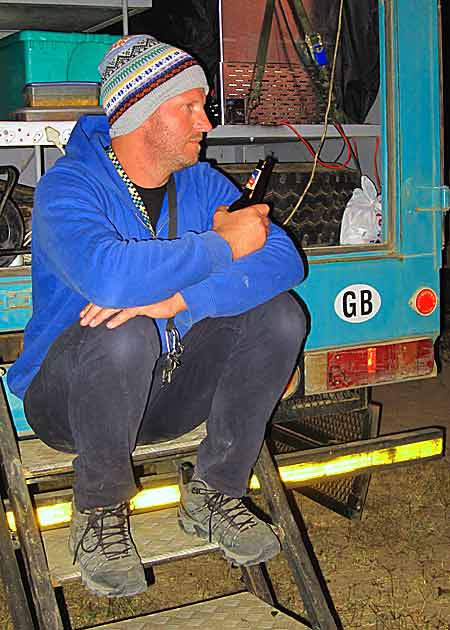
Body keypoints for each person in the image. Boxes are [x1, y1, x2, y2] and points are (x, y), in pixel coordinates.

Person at [8, 34, 307, 598]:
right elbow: (110, 278)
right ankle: (99, 511)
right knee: (124, 330)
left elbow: (283, 259)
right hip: (71, 403)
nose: (207, 123)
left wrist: (179, 301)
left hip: (167, 394)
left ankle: (215, 491)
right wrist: (222, 245)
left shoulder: (200, 183)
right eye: (190, 106)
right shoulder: (67, 187)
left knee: (280, 315)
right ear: (142, 115)